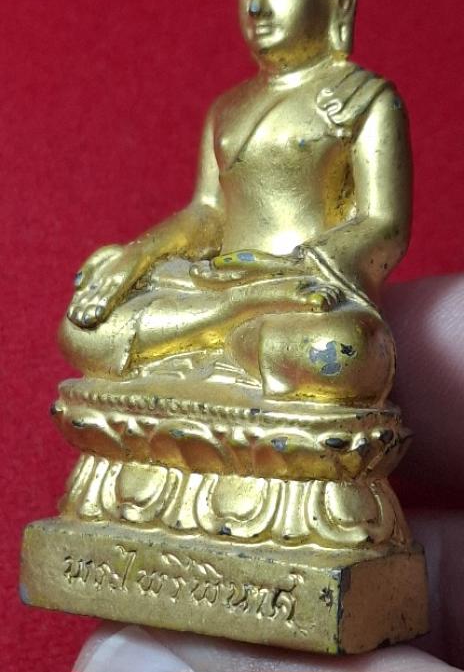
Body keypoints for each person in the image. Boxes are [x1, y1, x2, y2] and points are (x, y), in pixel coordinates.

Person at [60, 0, 410, 410]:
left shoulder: (364, 98)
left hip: (302, 291)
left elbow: (383, 225)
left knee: (338, 351)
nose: (257, 7)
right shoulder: (228, 108)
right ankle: (232, 319)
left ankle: (225, 337)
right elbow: (207, 213)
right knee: (86, 329)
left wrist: (299, 267)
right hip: (223, 283)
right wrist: (137, 256)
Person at [71, 275, 464, 672]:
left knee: (336, 348)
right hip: (209, 303)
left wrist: (277, 288)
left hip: (293, 320)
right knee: (90, 332)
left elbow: (359, 249)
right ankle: (238, 309)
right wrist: (127, 269)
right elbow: (191, 235)